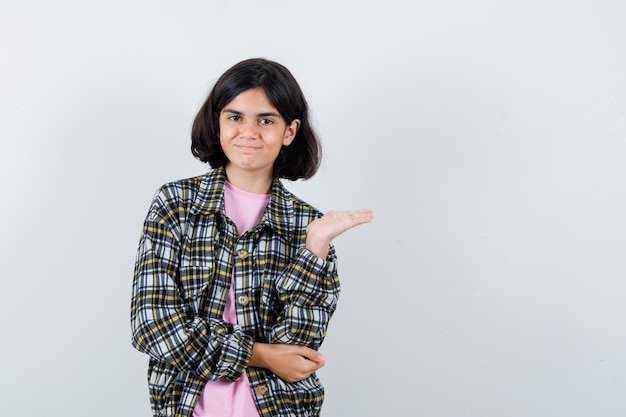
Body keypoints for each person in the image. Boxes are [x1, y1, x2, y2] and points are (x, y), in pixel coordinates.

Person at [130, 58, 373, 417]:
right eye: (235, 117)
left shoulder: (308, 226)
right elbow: (152, 324)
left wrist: (316, 246)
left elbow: (298, 350)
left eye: (266, 120)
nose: (249, 132)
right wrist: (258, 354)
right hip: (187, 406)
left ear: (289, 132)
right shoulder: (176, 204)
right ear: (217, 124)